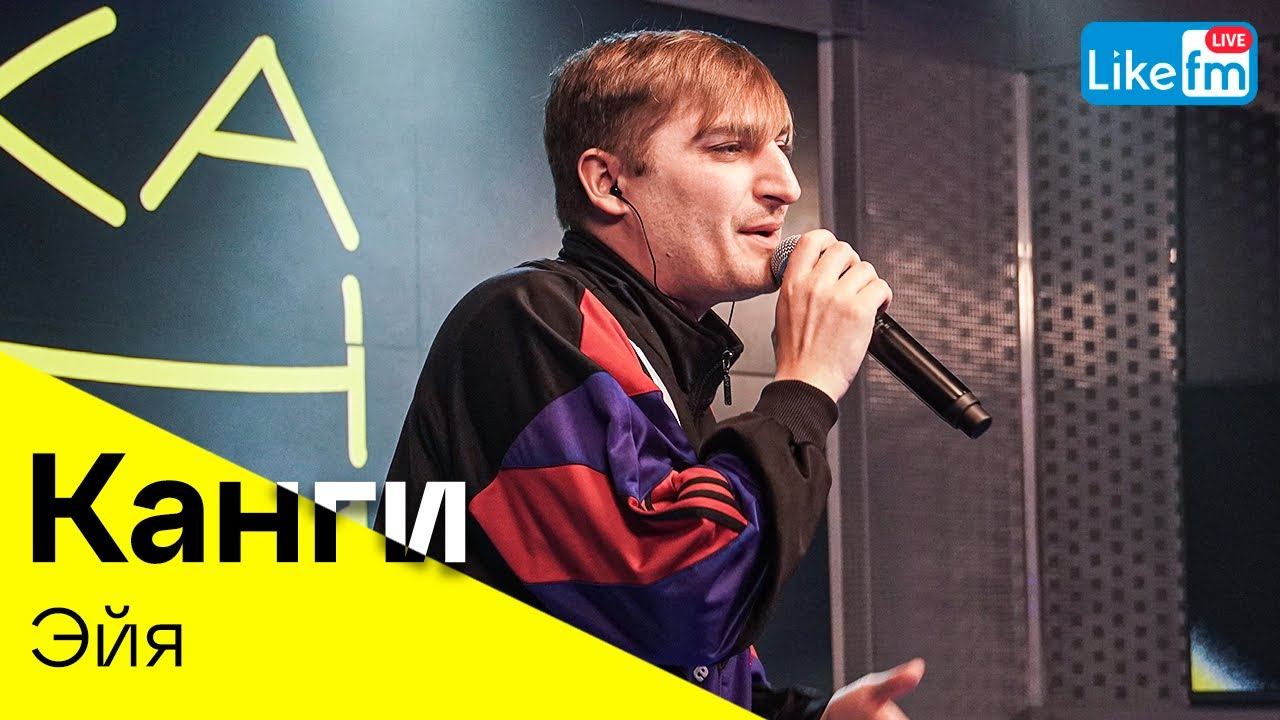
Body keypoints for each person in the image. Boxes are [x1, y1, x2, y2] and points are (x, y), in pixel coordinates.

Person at [379, 29, 925, 719]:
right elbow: (672, 601)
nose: (785, 186)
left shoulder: (666, 361)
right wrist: (803, 390)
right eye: (729, 147)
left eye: (783, 148)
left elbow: (665, 669)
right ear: (609, 183)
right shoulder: (529, 321)